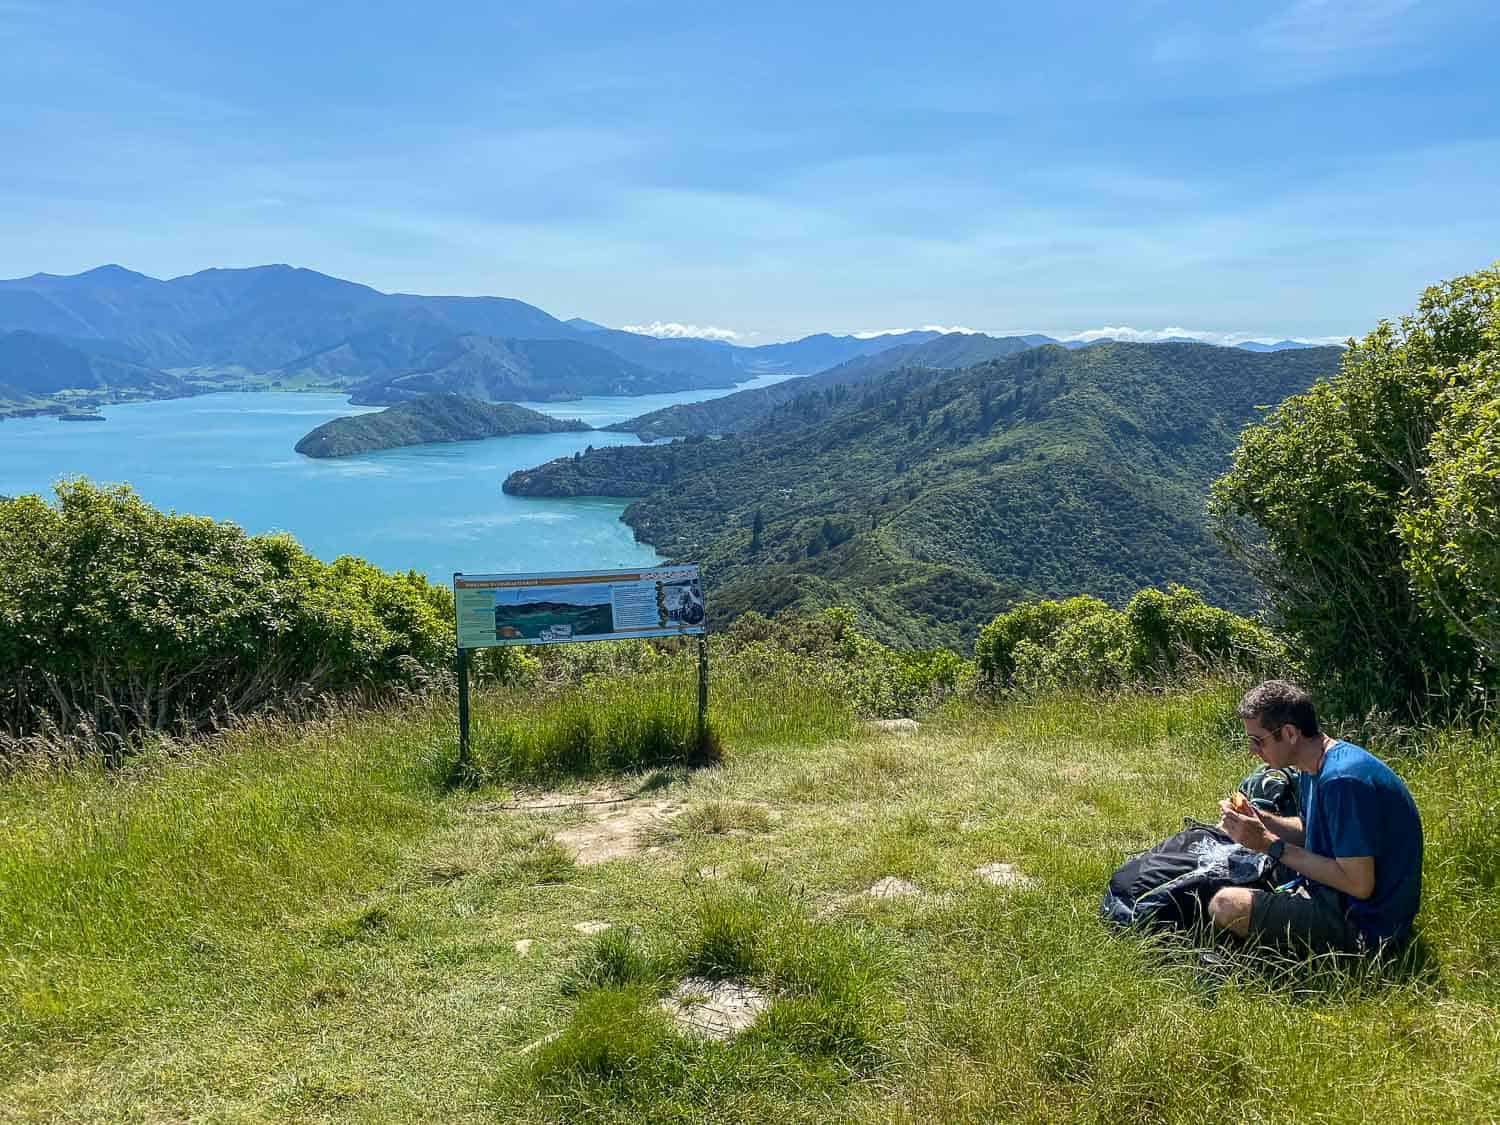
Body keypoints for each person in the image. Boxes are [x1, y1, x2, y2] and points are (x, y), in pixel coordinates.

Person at [1208, 680, 1423, 954]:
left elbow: (1360, 885)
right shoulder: (1316, 764)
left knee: (1225, 905)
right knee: (1235, 866)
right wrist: (1261, 820)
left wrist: (1270, 844)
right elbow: (1315, 832)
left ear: (1289, 733)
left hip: (1367, 924)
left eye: (1257, 740)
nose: (1252, 750)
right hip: (1341, 895)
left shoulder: (1342, 781)